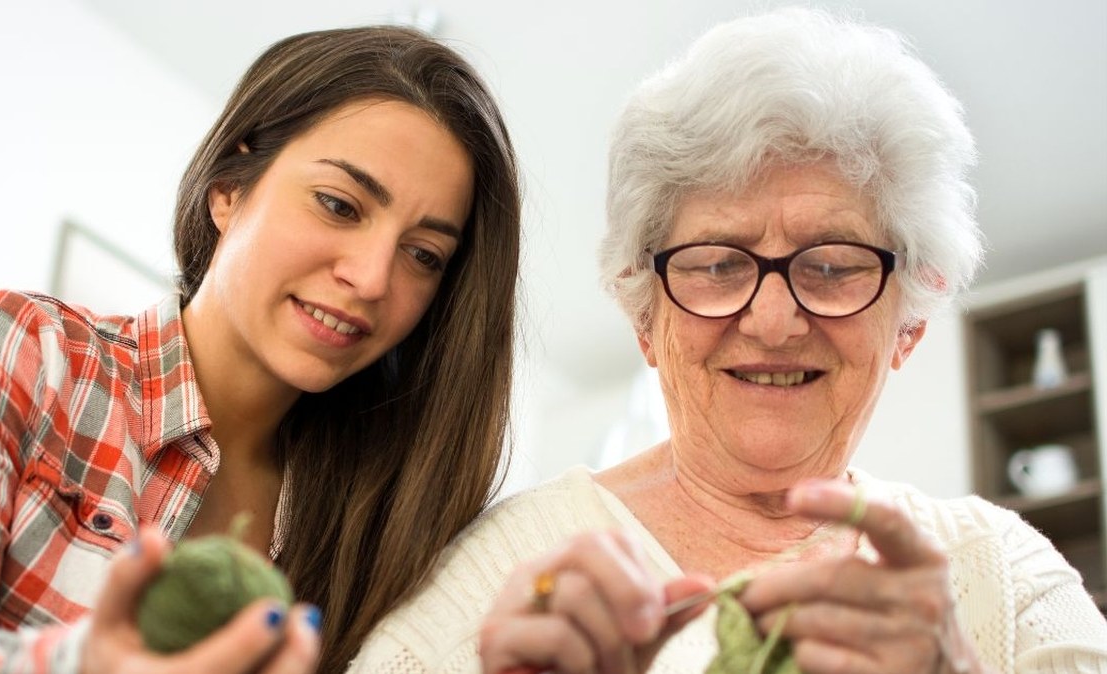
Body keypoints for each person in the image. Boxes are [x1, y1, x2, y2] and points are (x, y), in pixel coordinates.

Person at [350, 8, 1107, 673]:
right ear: (647, 319)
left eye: (834, 265)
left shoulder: (1003, 574)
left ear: (905, 324)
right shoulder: (499, 572)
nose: (775, 320)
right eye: (716, 264)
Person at [0, 25, 521, 674]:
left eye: (424, 255)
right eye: (339, 205)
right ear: (228, 188)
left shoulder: (379, 526)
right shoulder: (21, 352)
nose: (372, 279)